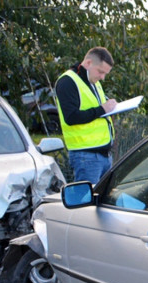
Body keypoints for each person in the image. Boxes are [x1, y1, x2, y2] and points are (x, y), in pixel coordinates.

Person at [55, 47, 118, 185]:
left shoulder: (92, 80)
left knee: (102, 201)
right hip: (85, 156)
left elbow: (97, 110)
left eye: (105, 74)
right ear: (88, 63)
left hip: (103, 154)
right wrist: (102, 109)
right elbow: (71, 117)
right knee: (86, 203)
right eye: (101, 72)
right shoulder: (67, 82)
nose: (103, 77)